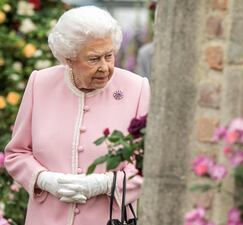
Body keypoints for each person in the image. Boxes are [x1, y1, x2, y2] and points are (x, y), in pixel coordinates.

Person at [4, 6, 149, 225]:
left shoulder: (136, 88)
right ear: (68, 58)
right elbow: (16, 153)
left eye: (109, 56)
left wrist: (103, 184)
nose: (105, 67)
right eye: (93, 59)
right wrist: (44, 180)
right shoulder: (40, 83)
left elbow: (146, 164)